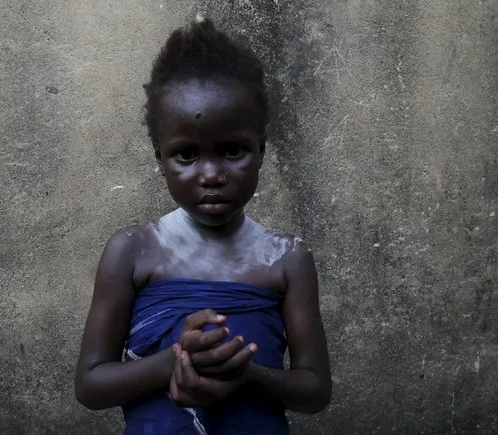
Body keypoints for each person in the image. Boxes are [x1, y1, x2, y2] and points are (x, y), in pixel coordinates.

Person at [75, 17, 331, 435]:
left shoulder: (288, 258)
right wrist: (176, 359)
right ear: (160, 159)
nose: (211, 174)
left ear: (261, 152)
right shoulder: (132, 251)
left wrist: (248, 374)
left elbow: (316, 390)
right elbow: (90, 385)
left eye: (232, 151)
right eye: (187, 155)